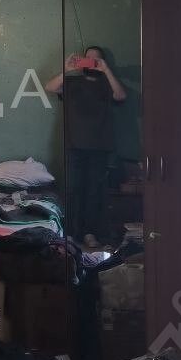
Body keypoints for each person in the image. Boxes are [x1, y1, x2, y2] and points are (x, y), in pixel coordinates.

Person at [44, 46, 126, 245]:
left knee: (93, 191)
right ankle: (72, 232)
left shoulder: (106, 84)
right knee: (73, 189)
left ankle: (90, 233)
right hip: (74, 144)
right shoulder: (73, 82)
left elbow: (121, 96)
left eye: (96, 59)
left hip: (100, 146)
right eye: (87, 58)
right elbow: (50, 87)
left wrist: (106, 70)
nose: (91, 62)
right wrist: (67, 69)